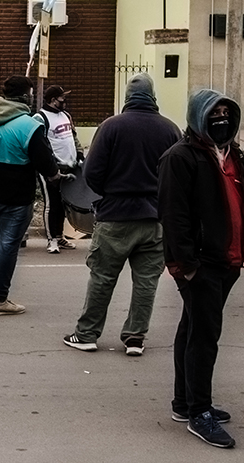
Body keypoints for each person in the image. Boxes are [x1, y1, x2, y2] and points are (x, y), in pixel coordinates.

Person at [62, 73, 180, 355]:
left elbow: (91, 173)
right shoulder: (171, 130)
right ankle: (135, 337)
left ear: (127, 98)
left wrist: (110, 193)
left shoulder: (111, 126)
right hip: (154, 218)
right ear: (153, 98)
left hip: (116, 215)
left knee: (102, 278)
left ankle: (87, 334)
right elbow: (178, 176)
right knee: (146, 282)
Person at [159, 89, 244, 449]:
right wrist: (188, 265)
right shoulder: (180, 157)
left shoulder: (232, 155)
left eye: (227, 113)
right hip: (201, 264)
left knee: (192, 327)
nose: (222, 119)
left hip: (229, 260)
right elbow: (173, 215)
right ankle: (200, 411)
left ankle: (185, 402)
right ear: (199, 116)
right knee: (204, 336)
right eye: (215, 112)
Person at [0, 76, 59, 315]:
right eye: (32, 94)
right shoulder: (29, 125)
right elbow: (45, 162)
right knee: (8, 244)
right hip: (14, 195)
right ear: (25, 97)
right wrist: (55, 177)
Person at [33, 84, 83, 253]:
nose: (65, 101)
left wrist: (79, 154)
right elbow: (41, 145)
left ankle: (60, 237)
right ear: (53, 100)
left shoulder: (66, 115)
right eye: (62, 98)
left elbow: (73, 137)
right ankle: (51, 239)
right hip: (51, 168)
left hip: (69, 166)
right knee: (51, 204)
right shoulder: (40, 118)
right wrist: (50, 167)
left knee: (63, 203)